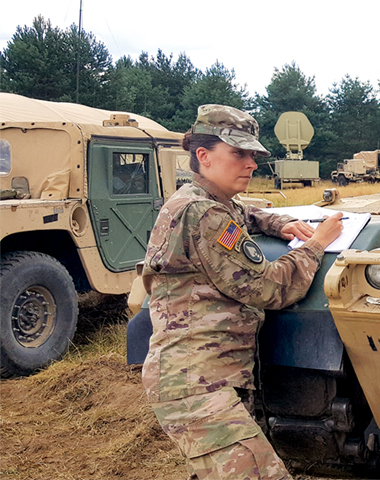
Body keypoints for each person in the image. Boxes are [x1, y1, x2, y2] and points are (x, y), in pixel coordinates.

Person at [141, 104, 343, 480]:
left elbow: (243, 214)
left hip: (206, 378)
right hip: (197, 385)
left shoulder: (201, 202)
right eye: (238, 153)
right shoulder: (204, 214)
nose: (251, 164)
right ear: (203, 156)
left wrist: (279, 222)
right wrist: (316, 244)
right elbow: (270, 287)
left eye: (253, 155)